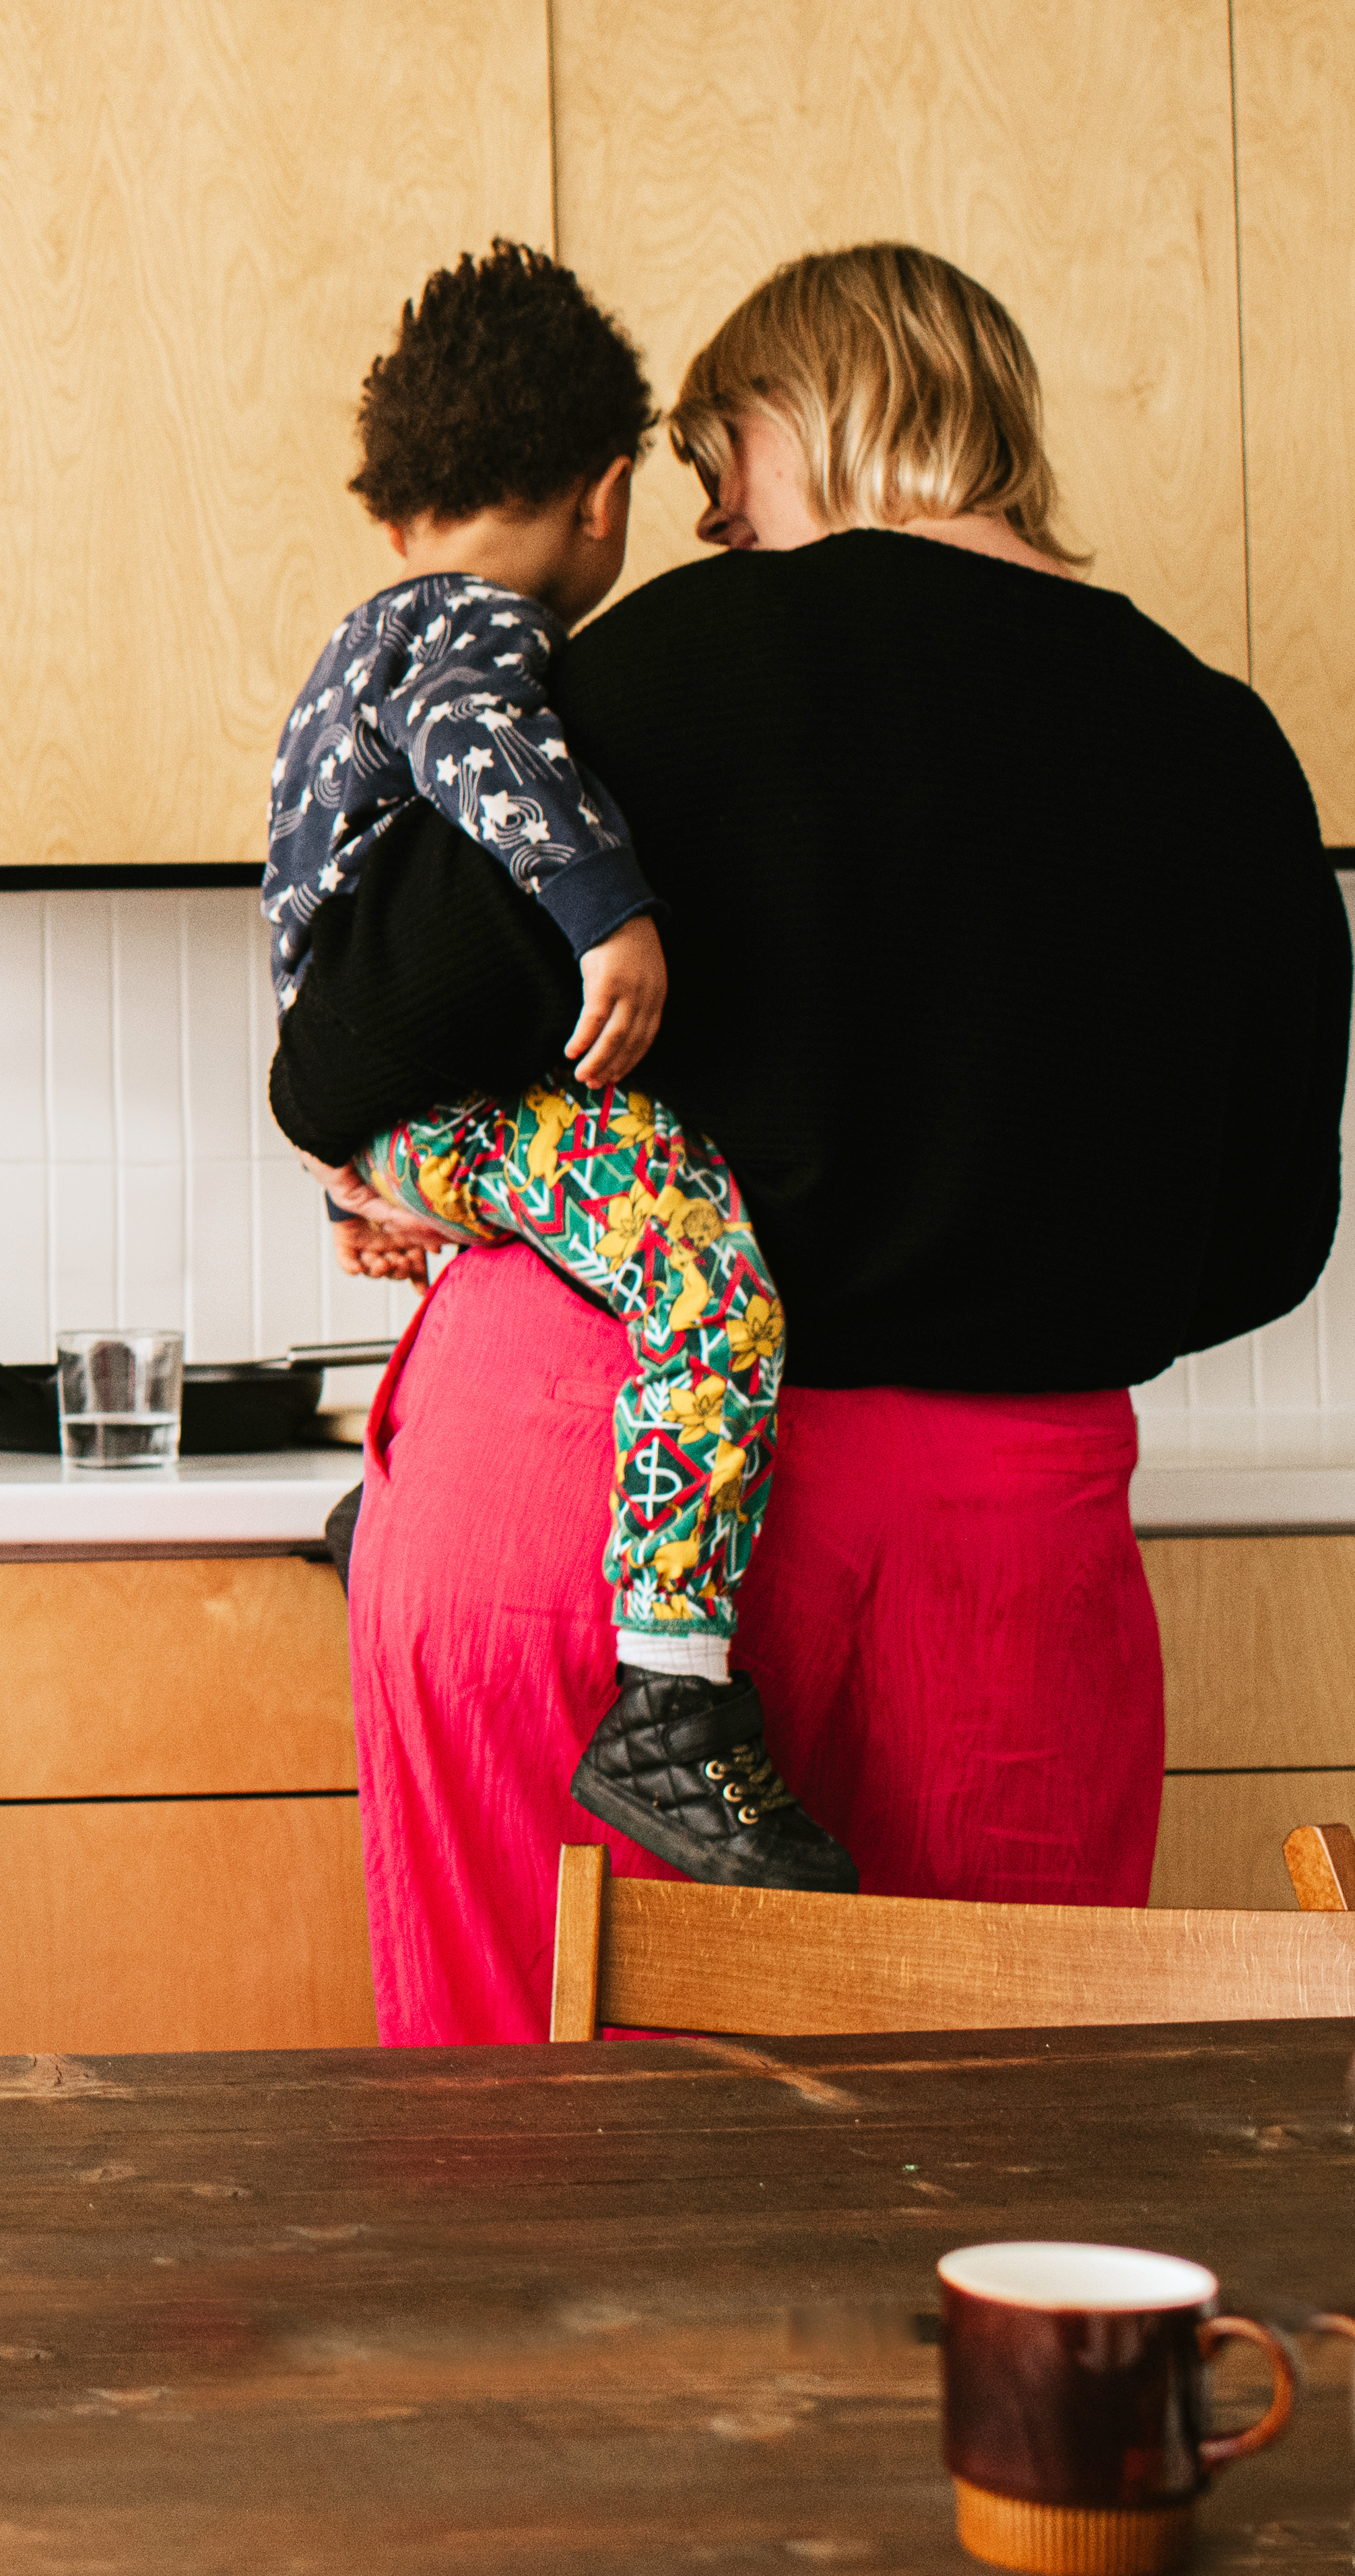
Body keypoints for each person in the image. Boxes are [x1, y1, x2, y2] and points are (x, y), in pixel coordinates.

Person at [335, 244, 1346, 2044]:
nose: (710, 520)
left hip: (579, 1476)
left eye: (721, 465)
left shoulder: (671, 660)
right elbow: (1262, 1239)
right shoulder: (1218, 742)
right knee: (968, 2164)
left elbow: (349, 1038)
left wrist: (424, 1161)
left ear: (806, 410)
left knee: (527, 2176)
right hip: (998, 1530)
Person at [260, 245, 845, 1892]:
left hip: (402, 1115)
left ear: (391, 502)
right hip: (454, 1109)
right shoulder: (467, 631)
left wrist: (359, 1166)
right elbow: (477, 740)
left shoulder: (356, 634)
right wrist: (608, 914)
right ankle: (668, 1702)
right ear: (605, 499)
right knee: (705, 1287)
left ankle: (390, 1517)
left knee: (587, 1240)